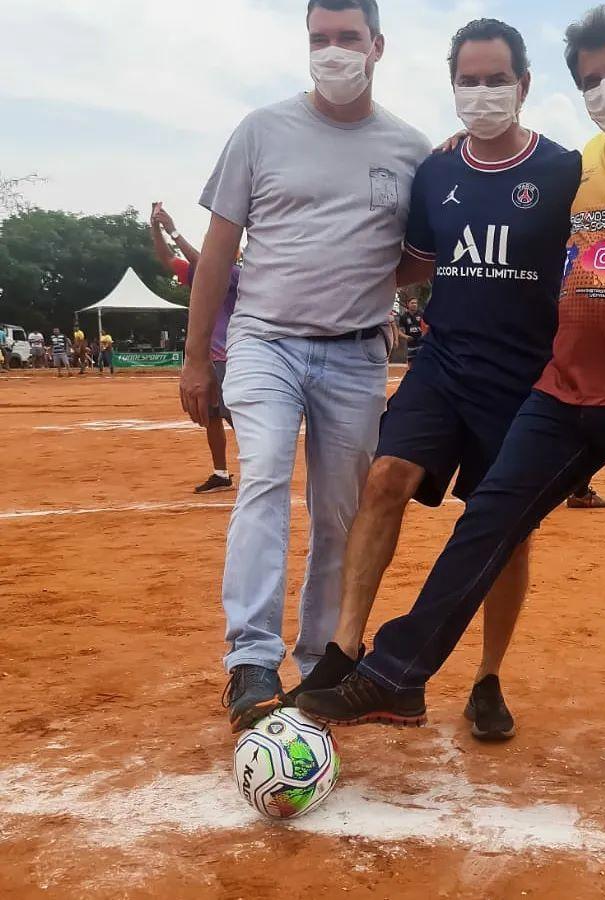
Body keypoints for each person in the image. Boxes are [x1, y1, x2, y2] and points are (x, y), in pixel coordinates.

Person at [298, 3, 605, 780]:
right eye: (590, 79)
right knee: (486, 522)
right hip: (565, 388)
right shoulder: (586, 159)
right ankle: (391, 674)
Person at [288, 18, 582, 741]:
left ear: (524, 84)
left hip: (523, 382)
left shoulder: (566, 170)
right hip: (443, 364)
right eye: (468, 81)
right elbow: (413, 261)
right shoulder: (438, 172)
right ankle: (347, 648)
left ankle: (488, 679)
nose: (481, 93)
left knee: (505, 534)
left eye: (495, 80)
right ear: (452, 85)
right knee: (384, 477)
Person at [179, 0, 431, 733]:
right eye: (319, 39)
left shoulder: (411, 150)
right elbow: (219, 248)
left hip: (356, 352)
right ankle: (251, 662)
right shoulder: (262, 131)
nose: (332, 51)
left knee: (339, 510)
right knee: (260, 472)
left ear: (377, 45)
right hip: (265, 340)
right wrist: (200, 359)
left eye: (347, 37)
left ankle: (324, 661)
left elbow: (419, 254)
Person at [151, 202, 239, 494]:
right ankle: (221, 473)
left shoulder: (234, 274)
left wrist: (173, 229)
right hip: (210, 359)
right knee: (212, 416)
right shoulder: (202, 276)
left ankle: (259, 472)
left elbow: (204, 263)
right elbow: (166, 258)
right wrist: (156, 227)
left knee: (238, 417)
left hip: (231, 357)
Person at [396, 297, 425, 369]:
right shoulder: (404, 317)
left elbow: (427, 327)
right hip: (411, 345)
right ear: (408, 304)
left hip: (422, 343)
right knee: (411, 364)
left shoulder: (422, 315)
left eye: (416, 303)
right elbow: (400, 331)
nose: (414, 304)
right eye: (412, 303)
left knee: (423, 362)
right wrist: (406, 337)